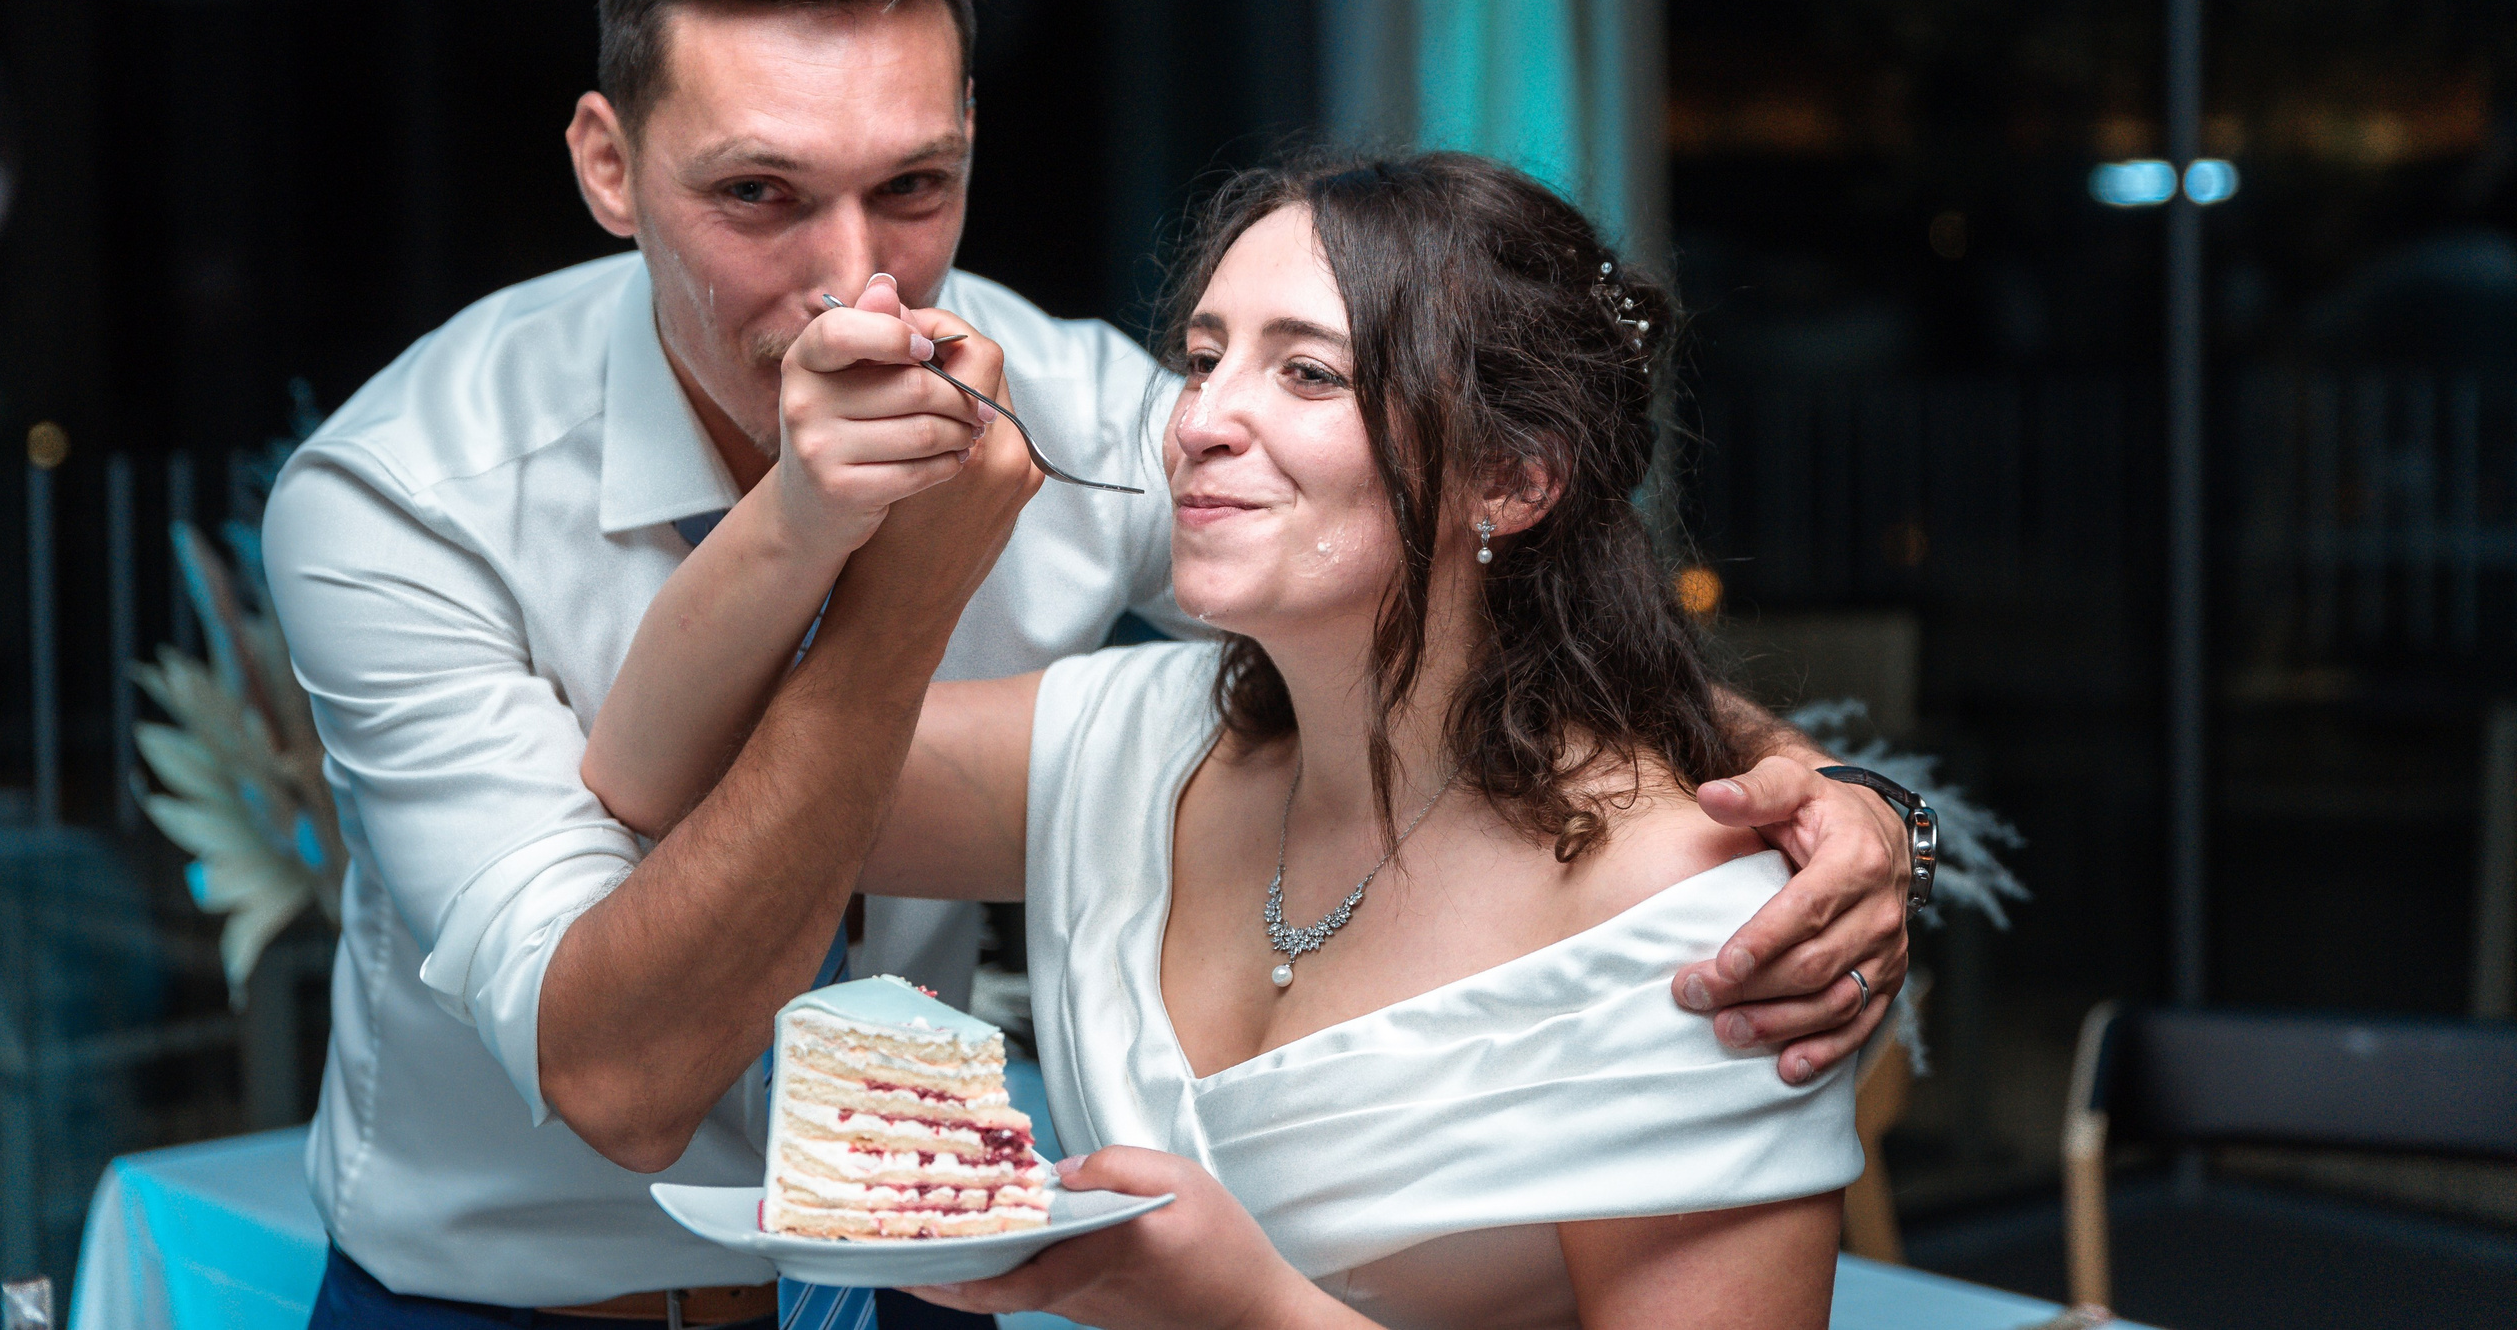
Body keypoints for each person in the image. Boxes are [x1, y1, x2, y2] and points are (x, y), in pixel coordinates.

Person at [263, 0, 1911, 1329]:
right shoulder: (400, 500)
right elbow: (620, 1060)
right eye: (761, 195)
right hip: (512, 1299)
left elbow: (1470, 610)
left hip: (919, 1278)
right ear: (611, 167)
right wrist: (841, 555)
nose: (861, 284)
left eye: (915, 188)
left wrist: (1799, 790)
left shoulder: (1057, 407)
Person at [585, 151, 1900, 1330]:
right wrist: (810, 517)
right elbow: (664, 767)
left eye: (1309, 369)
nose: (1200, 417)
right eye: (1207, 356)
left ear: (1513, 477)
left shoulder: (1684, 920)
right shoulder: (1132, 745)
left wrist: (1246, 1310)